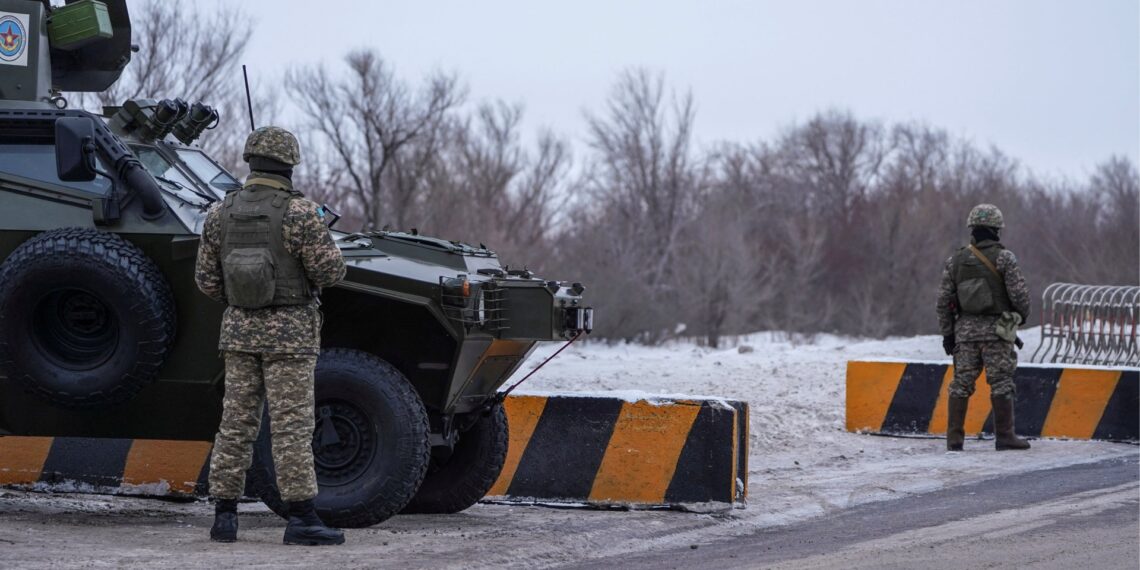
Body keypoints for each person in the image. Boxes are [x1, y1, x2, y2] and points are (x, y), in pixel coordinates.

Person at [194, 126, 347, 545]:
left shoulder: (218, 212)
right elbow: (331, 272)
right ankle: (301, 518)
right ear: (290, 164)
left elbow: (207, 281)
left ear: (251, 161)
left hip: (240, 333)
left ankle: (224, 517)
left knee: (235, 423)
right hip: (290, 337)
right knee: (291, 427)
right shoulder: (300, 213)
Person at [936, 203, 1031, 452]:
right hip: (998, 332)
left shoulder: (955, 260)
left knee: (961, 384)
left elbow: (943, 301)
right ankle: (1005, 437)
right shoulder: (1004, 258)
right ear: (997, 230)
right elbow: (1020, 296)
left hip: (965, 334)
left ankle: (954, 440)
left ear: (972, 229)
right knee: (1001, 382)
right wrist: (1018, 318)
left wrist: (948, 333)